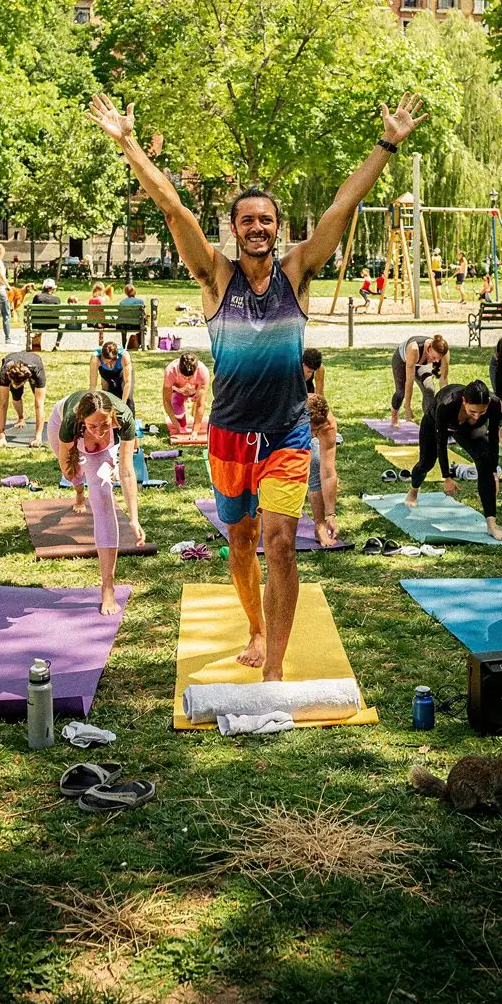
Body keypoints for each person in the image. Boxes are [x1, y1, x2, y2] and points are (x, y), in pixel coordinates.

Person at [89, 88, 427, 680]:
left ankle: (273, 666)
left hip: (287, 435)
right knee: (240, 543)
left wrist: (386, 144)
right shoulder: (216, 279)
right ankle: (254, 624)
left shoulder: (297, 272)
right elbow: (173, 210)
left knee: (278, 540)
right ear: (235, 229)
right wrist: (128, 145)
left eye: (265, 220)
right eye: (246, 220)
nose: (256, 228)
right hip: (226, 437)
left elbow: (341, 209)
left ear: (277, 228)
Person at [48, 390, 145, 615]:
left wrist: (134, 519)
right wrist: (77, 472)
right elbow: (66, 464)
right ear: (83, 421)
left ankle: (108, 588)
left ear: (112, 416)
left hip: (98, 452)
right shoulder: (71, 422)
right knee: (73, 474)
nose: (100, 431)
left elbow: (127, 472)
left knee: (102, 497)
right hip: (60, 422)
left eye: (105, 424)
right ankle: (79, 492)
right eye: (93, 426)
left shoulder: (124, 417)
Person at [406, 379, 502, 542]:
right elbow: (441, 442)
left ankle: (491, 524)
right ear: (464, 401)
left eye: (481, 412)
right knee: (427, 462)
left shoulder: (495, 405)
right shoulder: (447, 405)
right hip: (435, 423)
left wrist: (494, 471)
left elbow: (493, 440)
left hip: (467, 429)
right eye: (472, 411)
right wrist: (447, 477)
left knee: (484, 461)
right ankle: (413, 489)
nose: (476, 416)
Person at [390, 334, 450, 425]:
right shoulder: (414, 349)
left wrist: (445, 403)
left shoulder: (445, 353)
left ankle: (429, 422)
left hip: (421, 364)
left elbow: (444, 379)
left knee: (429, 389)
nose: (437, 361)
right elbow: (409, 381)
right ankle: (394, 414)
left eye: (439, 359)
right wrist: (408, 408)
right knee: (401, 392)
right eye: (434, 358)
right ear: (428, 349)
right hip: (402, 360)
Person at [307, 393, 340, 548]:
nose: (314, 434)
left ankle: (319, 525)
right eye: (312, 429)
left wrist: (331, 515)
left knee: (316, 461)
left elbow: (328, 472)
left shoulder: (328, 424)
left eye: (317, 430)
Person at [0, 351, 47, 446]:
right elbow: (3, 404)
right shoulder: (5, 371)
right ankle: (21, 418)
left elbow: (39, 405)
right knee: (16, 396)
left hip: (34, 363)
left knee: (38, 401)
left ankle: (38, 434)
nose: (16, 385)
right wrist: (1, 436)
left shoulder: (37, 370)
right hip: (12, 365)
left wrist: (38, 438)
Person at [162, 351, 209, 435]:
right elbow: (166, 400)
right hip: (178, 390)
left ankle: (193, 414)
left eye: (190, 377)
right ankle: (182, 424)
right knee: (177, 408)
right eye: (184, 376)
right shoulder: (171, 371)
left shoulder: (203, 372)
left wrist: (195, 431)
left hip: (195, 390)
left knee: (197, 411)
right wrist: (176, 423)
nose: (187, 379)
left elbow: (201, 404)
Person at [89, 340, 134, 410]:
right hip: (105, 372)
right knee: (107, 396)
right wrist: (89, 402)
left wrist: (123, 404)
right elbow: (92, 385)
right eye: (106, 363)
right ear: (102, 357)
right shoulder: (95, 358)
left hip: (121, 372)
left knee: (128, 398)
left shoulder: (124, 356)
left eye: (112, 362)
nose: (110, 366)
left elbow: (127, 383)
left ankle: (130, 418)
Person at [30, 276, 62, 352]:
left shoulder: (37, 297)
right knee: (61, 326)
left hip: (38, 324)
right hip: (53, 325)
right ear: (53, 288)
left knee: (37, 328)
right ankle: (57, 345)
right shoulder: (57, 299)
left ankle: (36, 347)